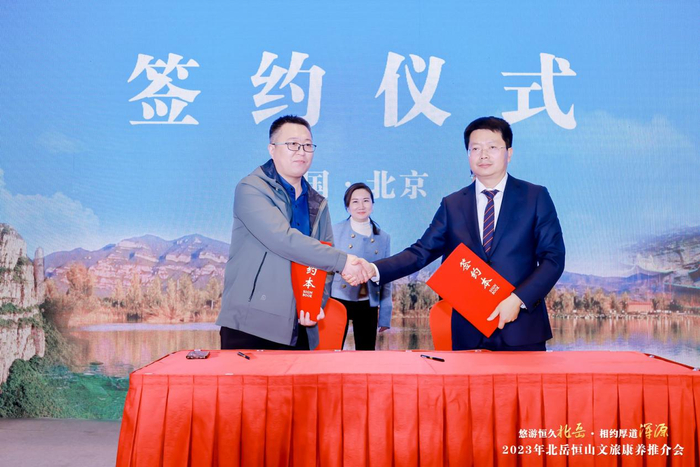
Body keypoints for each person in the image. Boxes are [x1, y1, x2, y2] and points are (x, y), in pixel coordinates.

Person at [354, 116, 565, 351]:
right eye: (475, 148)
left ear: (509, 153)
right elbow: (420, 252)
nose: (483, 155)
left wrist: (518, 300)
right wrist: (374, 269)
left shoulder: (535, 197)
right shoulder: (453, 204)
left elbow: (553, 259)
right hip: (468, 331)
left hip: (522, 327)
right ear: (468, 155)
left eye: (492, 147)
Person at [216, 115, 371, 351]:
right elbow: (283, 239)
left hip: (301, 326)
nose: (301, 152)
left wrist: (314, 304)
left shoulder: (318, 203)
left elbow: (325, 261)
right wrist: (344, 261)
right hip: (250, 324)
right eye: (292, 144)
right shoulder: (251, 188)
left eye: (307, 145)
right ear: (272, 149)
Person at [331, 183, 392, 350]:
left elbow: (386, 277)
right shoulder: (334, 232)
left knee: (366, 355)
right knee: (331, 353)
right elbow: (325, 270)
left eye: (366, 200)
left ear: (372, 204)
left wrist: (385, 315)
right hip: (337, 299)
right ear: (347, 207)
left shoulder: (383, 237)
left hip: (368, 302)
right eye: (355, 201)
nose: (361, 206)